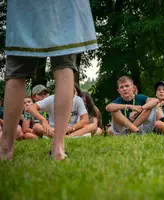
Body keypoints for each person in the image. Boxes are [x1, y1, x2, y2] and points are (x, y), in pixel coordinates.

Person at [0, 0, 98, 160]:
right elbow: (32, 109)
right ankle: (58, 147)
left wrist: (71, 129)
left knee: (18, 68)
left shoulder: (78, 101)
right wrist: (42, 122)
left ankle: (5, 148)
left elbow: (87, 120)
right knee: (64, 65)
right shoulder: (49, 100)